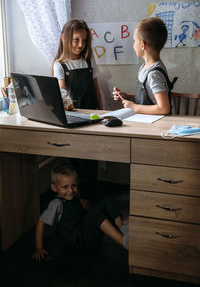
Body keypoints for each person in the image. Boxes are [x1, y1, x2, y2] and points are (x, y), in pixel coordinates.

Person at [52, 19, 103, 206]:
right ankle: (77, 206)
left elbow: (96, 90)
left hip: (93, 118)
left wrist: (103, 112)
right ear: (65, 39)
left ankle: (89, 205)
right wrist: (69, 107)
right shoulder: (60, 65)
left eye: (84, 40)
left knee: (91, 164)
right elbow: (63, 95)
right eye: (76, 40)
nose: (81, 45)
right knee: (77, 163)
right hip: (74, 121)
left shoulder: (89, 60)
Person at [32, 163, 128, 261]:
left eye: (73, 185)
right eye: (65, 187)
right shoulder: (56, 204)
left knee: (107, 202)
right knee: (96, 215)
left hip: (85, 233)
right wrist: (39, 248)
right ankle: (124, 242)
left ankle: (123, 228)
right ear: (54, 188)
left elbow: (82, 211)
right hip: (76, 242)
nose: (70, 190)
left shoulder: (75, 195)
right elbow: (41, 223)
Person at [113, 17, 176, 115]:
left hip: (155, 125)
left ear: (142, 45)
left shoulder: (154, 74)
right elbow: (147, 98)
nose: (133, 45)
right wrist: (127, 97)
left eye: (134, 41)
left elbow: (164, 108)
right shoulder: (144, 68)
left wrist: (134, 107)